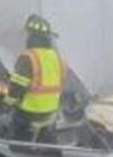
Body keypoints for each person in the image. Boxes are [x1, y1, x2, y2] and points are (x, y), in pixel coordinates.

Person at [5, 14, 67, 142]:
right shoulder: (57, 58)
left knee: (13, 130)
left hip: (29, 112)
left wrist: (7, 103)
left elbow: (16, 86)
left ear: (32, 37)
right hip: (51, 112)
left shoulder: (28, 57)